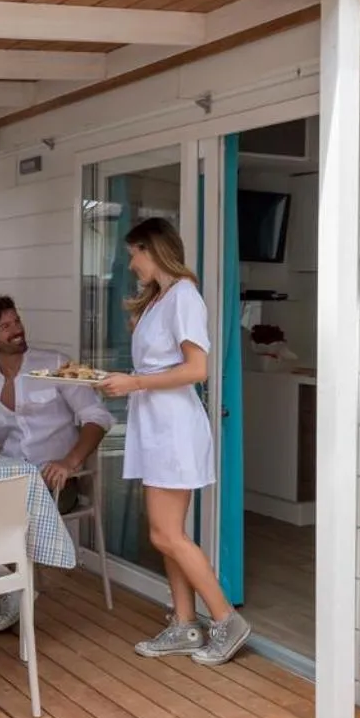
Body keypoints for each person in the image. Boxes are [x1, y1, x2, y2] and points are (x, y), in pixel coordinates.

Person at [94, 216, 250, 666]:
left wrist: (136, 383)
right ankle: (184, 624)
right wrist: (121, 381)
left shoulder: (184, 296)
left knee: (167, 534)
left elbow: (197, 369)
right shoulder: (159, 300)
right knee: (166, 534)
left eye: (133, 255)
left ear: (152, 249)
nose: (132, 265)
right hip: (156, 428)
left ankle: (226, 620)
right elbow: (153, 367)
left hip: (175, 429)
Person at [0, 295, 114, 632]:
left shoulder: (56, 365)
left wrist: (70, 460)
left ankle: (15, 590)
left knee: (3, 513)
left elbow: (97, 417)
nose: (17, 330)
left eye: (16, 321)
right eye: (6, 326)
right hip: (10, 477)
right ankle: (11, 586)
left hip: (59, 481)